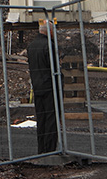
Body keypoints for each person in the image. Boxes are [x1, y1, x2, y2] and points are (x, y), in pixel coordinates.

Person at [27, 18, 60, 155]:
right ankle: (51, 149)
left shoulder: (31, 46)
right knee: (52, 118)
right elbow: (54, 67)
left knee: (41, 119)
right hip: (49, 86)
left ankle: (42, 150)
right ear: (50, 32)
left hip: (37, 86)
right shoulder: (49, 46)